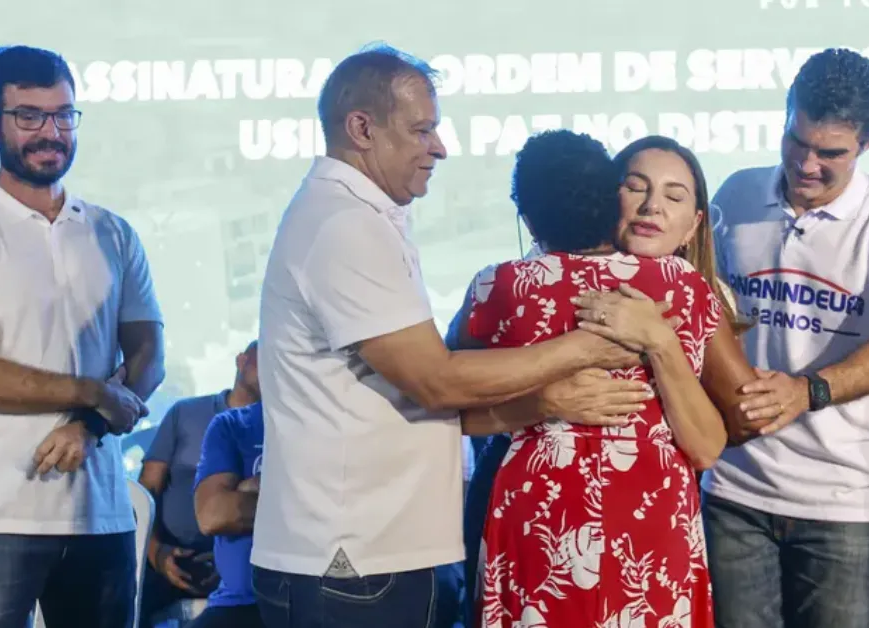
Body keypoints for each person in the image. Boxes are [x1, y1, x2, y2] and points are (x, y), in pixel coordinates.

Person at [252, 44, 639, 628]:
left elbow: (409, 399)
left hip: (378, 553)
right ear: (362, 128)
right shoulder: (343, 225)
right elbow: (436, 381)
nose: (440, 147)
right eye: (422, 130)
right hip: (353, 559)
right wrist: (587, 346)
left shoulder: (362, 217)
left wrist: (541, 402)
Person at [456, 134, 757, 626]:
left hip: (539, 513)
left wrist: (659, 343)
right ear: (607, 196)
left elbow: (446, 398)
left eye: (673, 196)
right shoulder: (683, 288)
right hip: (648, 518)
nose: (651, 206)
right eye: (634, 187)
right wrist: (545, 400)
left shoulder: (502, 286)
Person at [703, 47, 869, 628]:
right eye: (796, 141)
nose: (807, 164)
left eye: (830, 152)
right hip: (734, 489)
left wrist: (803, 392)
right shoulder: (734, 196)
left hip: (848, 502)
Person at [0, 45, 164, 627]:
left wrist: (90, 424)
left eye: (64, 115)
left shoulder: (112, 232)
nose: (51, 132)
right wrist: (91, 393)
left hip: (100, 512)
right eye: (29, 117)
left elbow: (149, 354)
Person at [138, 341, 260, 627]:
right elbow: (145, 493)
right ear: (241, 361)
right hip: (171, 557)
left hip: (242, 568)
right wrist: (157, 553)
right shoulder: (186, 413)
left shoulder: (279, 426)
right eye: (263, 357)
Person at [191, 401, 267, 628]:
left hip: (317, 597)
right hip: (239, 603)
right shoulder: (233, 425)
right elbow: (213, 515)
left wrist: (249, 488)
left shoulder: (328, 424)